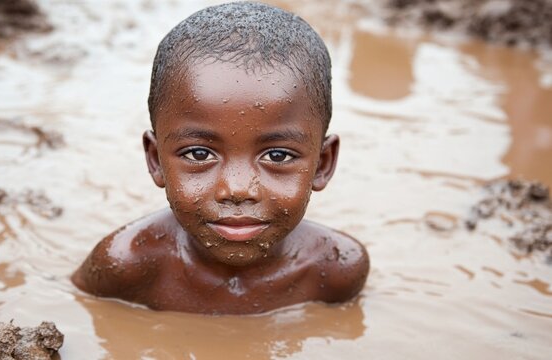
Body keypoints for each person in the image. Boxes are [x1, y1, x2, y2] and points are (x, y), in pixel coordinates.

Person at [72, 2, 369, 315]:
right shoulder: (124, 265)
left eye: (278, 155)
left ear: (322, 164)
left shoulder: (337, 270)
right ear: (155, 159)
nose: (238, 189)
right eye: (199, 153)